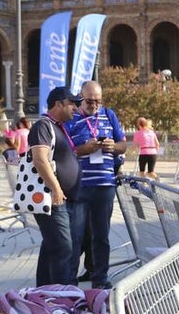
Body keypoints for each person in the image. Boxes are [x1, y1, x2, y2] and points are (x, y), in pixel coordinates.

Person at [66, 81, 126, 290]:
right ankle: (70, 281)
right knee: (76, 235)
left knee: (101, 235)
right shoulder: (71, 118)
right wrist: (85, 149)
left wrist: (113, 146)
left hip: (105, 185)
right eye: (90, 101)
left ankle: (100, 278)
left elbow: (123, 144)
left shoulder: (109, 115)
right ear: (80, 98)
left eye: (98, 101)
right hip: (80, 185)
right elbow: (65, 152)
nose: (94, 105)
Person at [29, 87, 83, 286]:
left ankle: (44, 290)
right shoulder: (43, 126)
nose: (75, 109)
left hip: (62, 198)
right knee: (63, 247)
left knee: (52, 246)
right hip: (52, 198)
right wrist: (56, 188)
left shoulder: (57, 126)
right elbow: (40, 160)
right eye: (72, 104)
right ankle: (61, 294)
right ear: (58, 104)